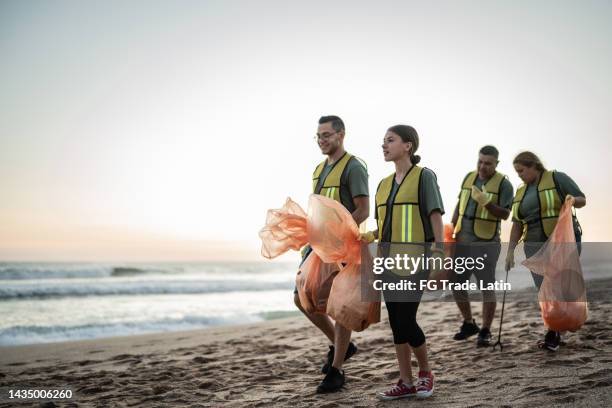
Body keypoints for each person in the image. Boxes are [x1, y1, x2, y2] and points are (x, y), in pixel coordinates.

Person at [361, 125, 443, 399]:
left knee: (407, 321)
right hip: (387, 265)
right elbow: (384, 226)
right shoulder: (383, 185)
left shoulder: (424, 177)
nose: (384, 145)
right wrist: (367, 236)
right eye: (382, 141)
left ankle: (426, 373)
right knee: (397, 323)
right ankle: (406, 381)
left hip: (416, 262)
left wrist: (440, 256)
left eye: (390, 140)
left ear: (408, 145)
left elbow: (435, 217)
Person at [294, 115, 369, 393]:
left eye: (326, 135)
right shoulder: (318, 169)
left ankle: (336, 371)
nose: (322, 140)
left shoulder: (354, 166)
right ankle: (343, 346)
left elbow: (363, 210)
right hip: (317, 245)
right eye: (318, 136)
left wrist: (338, 236)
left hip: (342, 246)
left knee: (340, 307)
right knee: (301, 299)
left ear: (341, 135)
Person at [505, 151, 586, 352]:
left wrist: (572, 200)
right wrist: (510, 252)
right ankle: (555, 327)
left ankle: (554, 331)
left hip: (562, 241)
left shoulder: (558, 178)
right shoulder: (521, 192)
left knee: (557, 286)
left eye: (522, 171)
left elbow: (582, 199)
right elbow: (517, 223)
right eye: (517, 172)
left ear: (534, 166)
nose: (520, 175)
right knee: (544, 290)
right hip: (533, 245)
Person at [450, 146, 514, 347]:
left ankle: (485, 331)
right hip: (462, 240)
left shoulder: (504, 184)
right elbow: (459, 203)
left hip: (486, 243)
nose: (482, 166)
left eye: (488, 163)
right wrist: (452, 228)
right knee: (456, 283)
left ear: (496, 164)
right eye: (480, 161)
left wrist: (486, 202)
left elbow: (505, 214)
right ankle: (469, 323)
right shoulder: (469, 177)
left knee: (486, 286)